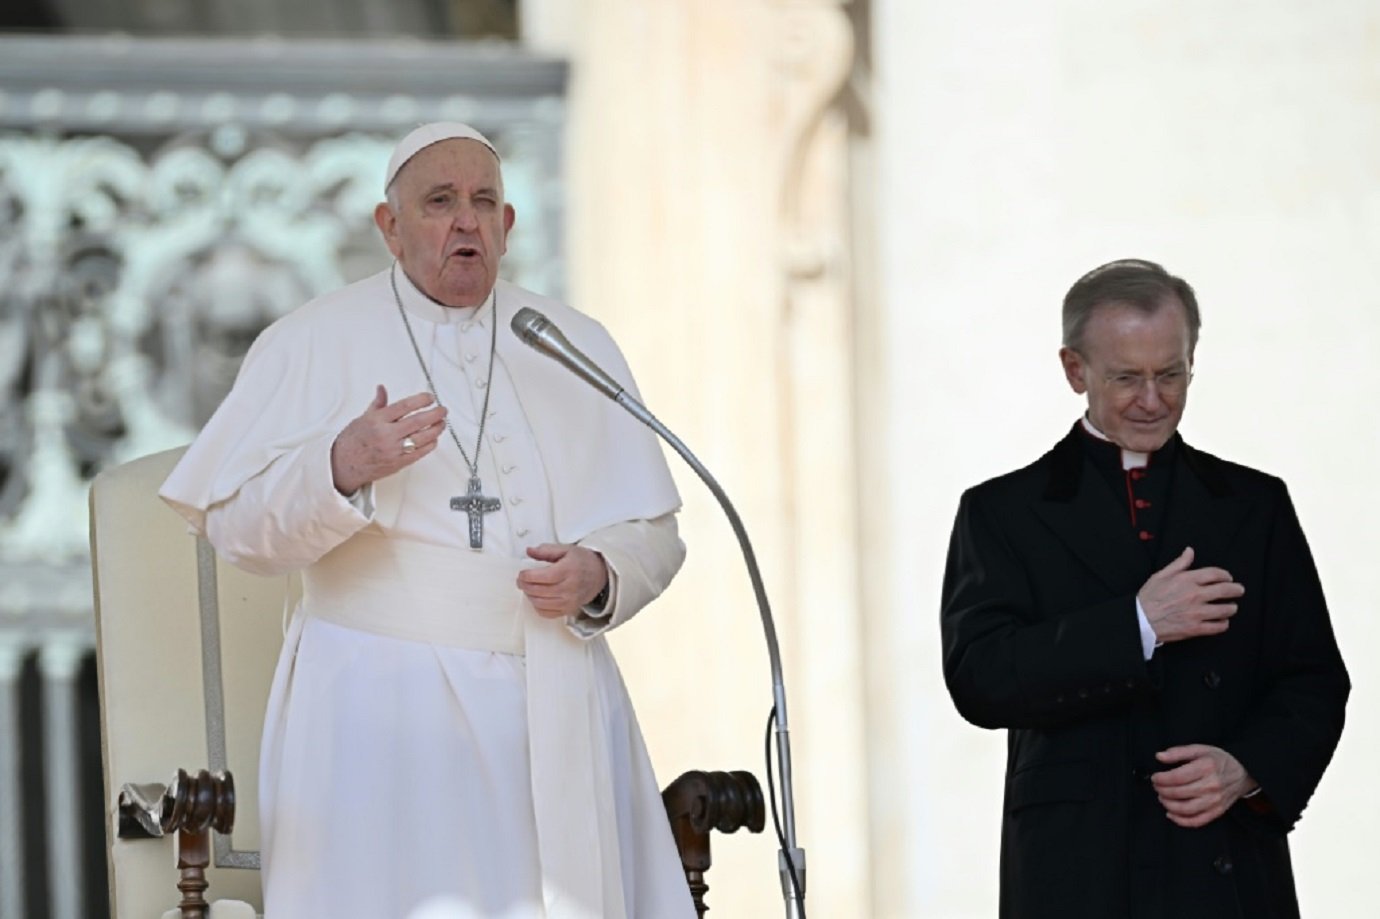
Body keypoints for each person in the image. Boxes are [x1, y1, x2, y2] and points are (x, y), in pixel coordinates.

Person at [160, 122, 697, 919]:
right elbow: (237, 528)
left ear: (509, 226)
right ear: (390, 226)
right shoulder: (311, 340)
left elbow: (655, 531)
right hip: (378, 712)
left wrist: (600, 574)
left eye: (484, 202)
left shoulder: (571, 342)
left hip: (555, 698)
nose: (465, 222)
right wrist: (339, 466)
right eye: (439, 202)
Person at [940, 259, 1349, 919]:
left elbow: (1313, 679)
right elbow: (979, 677)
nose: (1153, 399)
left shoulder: (1254, 504)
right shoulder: (1002, 512)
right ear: (1076, 370)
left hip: (1222, 862)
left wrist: (1246, 768)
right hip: (1079, 869)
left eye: (1171, 374)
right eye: (1127, 377)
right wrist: (1137, 624)